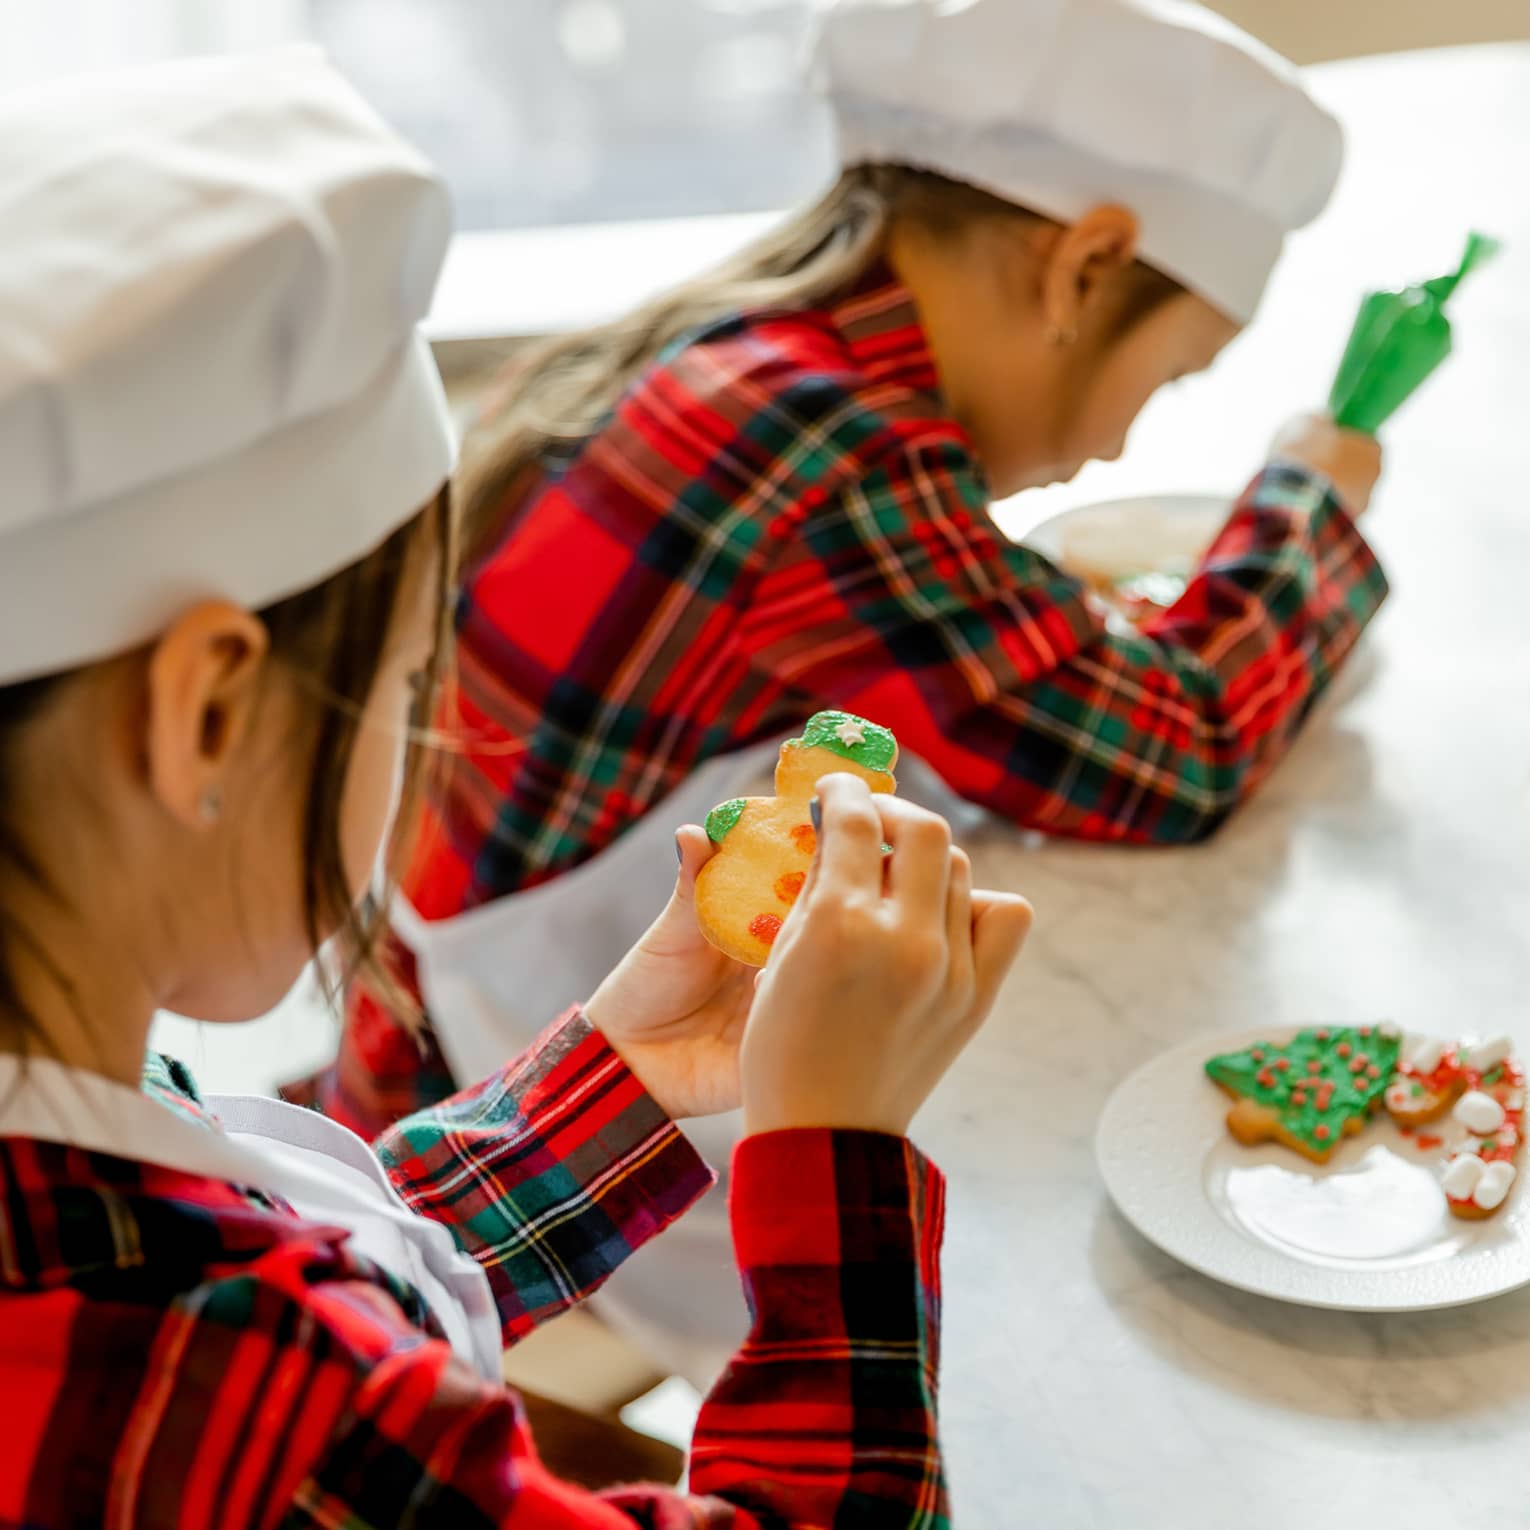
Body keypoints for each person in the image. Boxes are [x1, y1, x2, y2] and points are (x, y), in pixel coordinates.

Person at [0, 50, 1032, 1525]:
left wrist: (620, 1079)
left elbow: (298, 1249)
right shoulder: (247, 1389)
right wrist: (836, 1150)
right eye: (409, 694)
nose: (420, 742)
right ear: (209, 712)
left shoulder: (86, 1190)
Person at [302, 0, 1388, 1375]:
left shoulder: (747, 346)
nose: (1122, 437)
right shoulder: (840, 453)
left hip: (428, 1056)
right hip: (539, 1132)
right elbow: (1177, 752)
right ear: (1084, 267)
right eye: (1167, 382)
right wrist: (1311, 492)